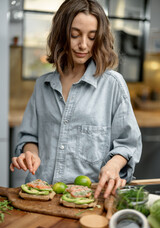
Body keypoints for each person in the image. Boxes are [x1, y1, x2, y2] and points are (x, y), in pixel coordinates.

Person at [10, 0, 142, 199]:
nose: (83, 45)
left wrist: (113, 166)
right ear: (62, 34)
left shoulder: (113, 84)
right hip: (41, 195)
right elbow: (30, 136)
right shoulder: (43, 85)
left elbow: (128, 143)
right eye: (74, 35)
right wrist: (31, 153)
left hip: (89, 197)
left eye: (92, 37)